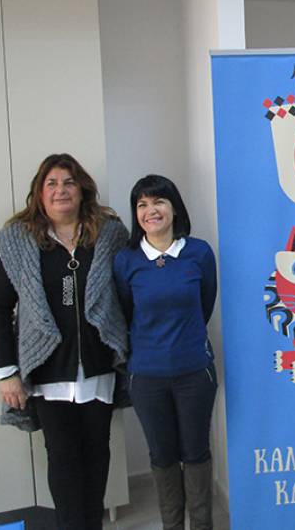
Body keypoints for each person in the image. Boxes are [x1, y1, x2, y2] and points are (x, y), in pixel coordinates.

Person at [0, 154, 129, 530]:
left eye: (68, 182)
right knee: (62, 460)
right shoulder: (18, 241)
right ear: (40, 193)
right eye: (52, 184)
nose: (60, 190)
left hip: (99, 368)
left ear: (82, 190)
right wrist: (6, 372)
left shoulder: (110, 234)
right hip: (48, 372)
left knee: (97, 456)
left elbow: (130, 293)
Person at [112, 175, 218, 530]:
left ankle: (201, 525)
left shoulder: (199, 253)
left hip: (195, 373)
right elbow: (126, 312)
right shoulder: (126, 260)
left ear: (174, 208)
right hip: (146, 377)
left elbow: (205, 305)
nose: (150, 210)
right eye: (142, 204)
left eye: (158, 201)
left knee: (196, 452)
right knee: (162, 455)